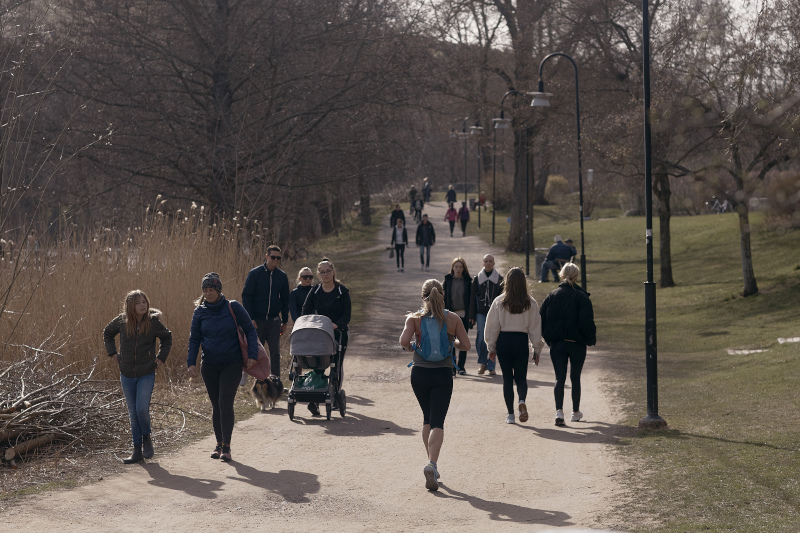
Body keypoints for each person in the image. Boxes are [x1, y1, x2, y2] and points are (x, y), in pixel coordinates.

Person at [399, 279, 470, 491]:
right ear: (443, 295)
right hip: (442, 374)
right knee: (438, 421)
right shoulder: (453, 318)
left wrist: (413, 346)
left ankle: (432, 462)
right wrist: (452, 342)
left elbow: (403, 341)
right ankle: (432, 463)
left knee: (427, 418)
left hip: (420, 373)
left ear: (423, 297)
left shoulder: (415, 318)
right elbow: (465, 345)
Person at [188, 273, 258, 462]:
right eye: (205, 290)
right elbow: (194, 338)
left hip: (231, 364)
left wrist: (253, 354)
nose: (208, 293)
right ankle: (218, 444)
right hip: (209, 365)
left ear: (219, 291)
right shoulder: (200, 312)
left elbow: (250, 330)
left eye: (211, 290)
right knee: (216, 405)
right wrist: (191, 363)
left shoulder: (233, 307)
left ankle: (226, 446)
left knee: (225, 402)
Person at [104, 290, 172, 464]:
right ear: (130, 306)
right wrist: (113, 353)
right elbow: (107, 333)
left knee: (141, 409)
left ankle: (146, 437)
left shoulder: (153, 322)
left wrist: (160, 359)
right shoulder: (121, 321)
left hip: (146, 373)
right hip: (126, 374)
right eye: (138, 303)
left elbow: (167, 338)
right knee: (133, 413)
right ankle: (136, 451)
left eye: (144, 302)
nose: (143, 305)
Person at [484, 267, 544, 424]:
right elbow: (535, 328)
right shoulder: (530, 303)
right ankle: (521, 400)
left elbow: (492, 326)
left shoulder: (499, 301)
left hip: (504, 340)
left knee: (507, 379)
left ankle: (510, 415)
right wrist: (536, 350)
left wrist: (491, 347)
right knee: (521, 377)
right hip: (521, 341)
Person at [539, 263, 596, 426]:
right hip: (577, 343)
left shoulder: (552, 295)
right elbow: (587, 322)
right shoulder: (582, 297)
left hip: (557, 344)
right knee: (575, 377)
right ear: (576, 276)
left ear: (561, 275)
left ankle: (559, 411)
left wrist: (548, 338)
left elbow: (540, 318)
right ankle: (575, 412)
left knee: (559, 378)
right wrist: (590, 338)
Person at [301, 258, 351, 415]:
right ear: (318, 274)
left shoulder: (342, 291)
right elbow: (305, 309)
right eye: (322, 272)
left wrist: (337, 324)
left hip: (338, 333)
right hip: (319, 333)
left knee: (336, 366)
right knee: (318, 365)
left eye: (328, 271)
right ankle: (315, 398)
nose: (325, 274)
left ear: (333, 271)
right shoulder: (315, 290)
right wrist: (310, 323)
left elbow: (347, 314)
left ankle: (336, 395)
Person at [242, 244, 290, 376]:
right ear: (266, 256)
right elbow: (246, 296)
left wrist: (284, 321)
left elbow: (286, 299)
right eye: (273, 257)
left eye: (278, 258)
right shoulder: (254, 274)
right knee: (256, 351)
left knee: (275, 352)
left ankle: (275, 381)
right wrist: (250, 318)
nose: (275, 260)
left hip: (274, 320)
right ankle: (255, 378)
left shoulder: (282, 276)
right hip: (257, 320)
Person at [469, 254, 503, 375]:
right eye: (486, 261)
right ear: (483, 263)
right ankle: (483, 362)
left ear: (493, 263)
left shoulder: (499, 279)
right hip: (481, 313)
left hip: (495, 313)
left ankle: (491, 366)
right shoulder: (477, 279)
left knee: (493, 338)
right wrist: (471, 315)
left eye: (490, 261)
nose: (488, 263)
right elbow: (472, 298)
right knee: (481, 338)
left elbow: (502, 298)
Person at [443, 258, 472, 375]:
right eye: (456, 267)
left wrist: (471, 316)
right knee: (451, 341)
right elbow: (443, 298)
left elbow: (471, 300)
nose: (458, 269)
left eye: (460, 267)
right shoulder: (447, 280)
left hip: (464, 314)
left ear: (464, 268)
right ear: (452, 268)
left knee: (463, 341)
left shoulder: (468, 281)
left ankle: (461, 367)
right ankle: (452, 367)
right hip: (450, 314)